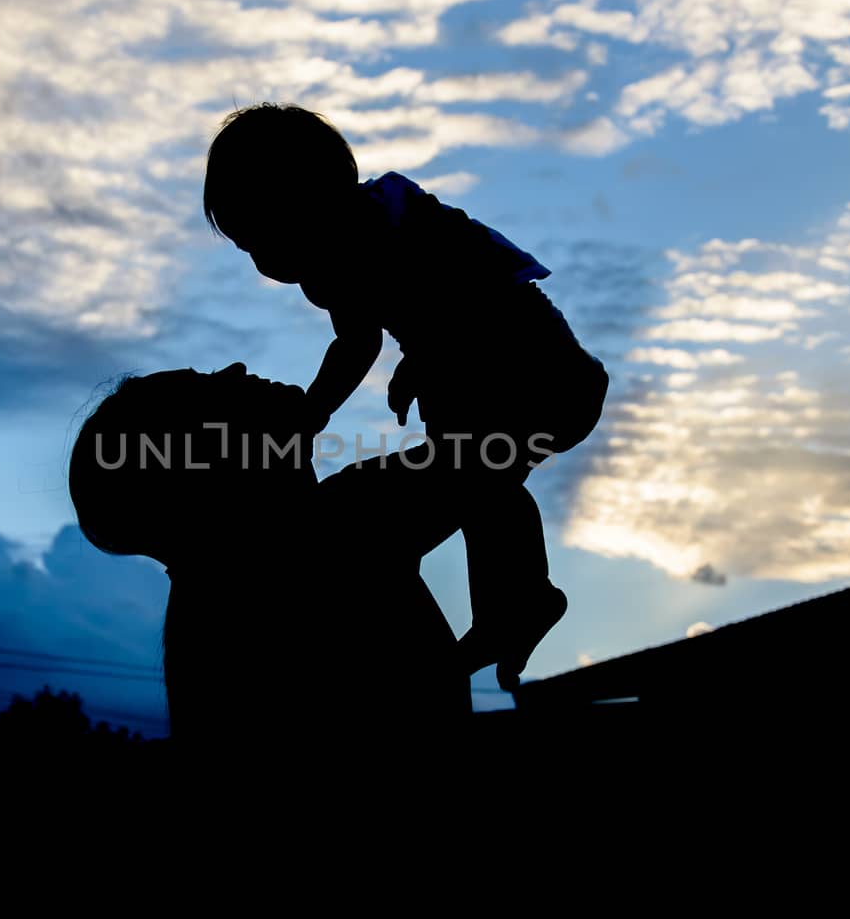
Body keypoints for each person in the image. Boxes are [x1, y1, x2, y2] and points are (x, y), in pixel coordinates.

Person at [202, 103, 609, 691]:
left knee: (476, 473)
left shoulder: (381, 225)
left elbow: (469, 286)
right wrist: (317, 411)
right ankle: (512, 605)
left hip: (537, 368)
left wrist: (425, 355)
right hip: (497, 379)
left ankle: (517, 601)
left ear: (317, 196)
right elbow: (356, 341)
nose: (265, 261)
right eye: (248, 248)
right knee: (476, 476)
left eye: (265, 236)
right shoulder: (339, 255)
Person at [68, 362, 471, 750]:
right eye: (209, 388)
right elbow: (498, 442)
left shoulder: (210, 616)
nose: (236, 369)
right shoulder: (329, 537)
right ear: (205, 460)